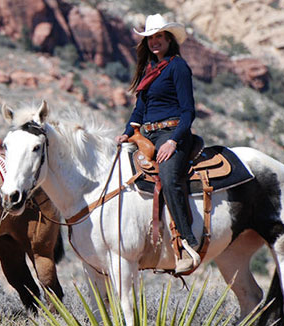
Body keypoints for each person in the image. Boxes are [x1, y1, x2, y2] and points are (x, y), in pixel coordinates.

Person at [114, 14, 199, 273]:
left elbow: (188, 112)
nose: (154, 42)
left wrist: (173, 141)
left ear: (169, 39)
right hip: (147, 135)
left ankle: (187, 242)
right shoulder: (149, 71)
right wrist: (127, 132)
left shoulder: (177, 67)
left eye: (159, 36)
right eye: (150, 38)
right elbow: (139, 111)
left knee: (169, 177)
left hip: (173, 133)